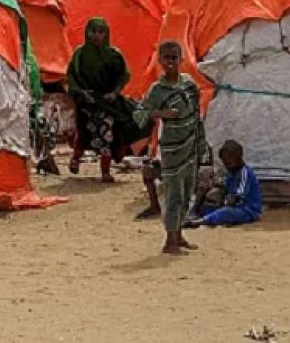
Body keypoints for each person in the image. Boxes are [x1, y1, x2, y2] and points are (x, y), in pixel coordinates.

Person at [136, 41, 205, 255]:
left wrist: (200, 141)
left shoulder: (189, 84)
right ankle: (169, 241)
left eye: (175, 57)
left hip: (191, 144)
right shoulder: (158, 90)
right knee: (174, 193)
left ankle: (179, 235)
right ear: (161, 61)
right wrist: (162, 114)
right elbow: (140, 113)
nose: (171, 62)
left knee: (187, 192)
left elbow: (196, 113)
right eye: (167, 58)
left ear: (181, 58)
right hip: (172, 148)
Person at [66, 18, 142, 182]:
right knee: (84, 133)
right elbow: (71, 76)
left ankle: (105, 171)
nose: (96, 35)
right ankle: (75, 159)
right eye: (93, 31)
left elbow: (124, 75)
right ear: (87, 32)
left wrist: (114, 93)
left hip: (107, 103)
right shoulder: (80, 54)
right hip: (86, 103)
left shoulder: (114, 55)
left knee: (107, 134)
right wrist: (80, 92)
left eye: (101, 32)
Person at [189, 140, 262, 228]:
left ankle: (200, 221)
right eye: (224, 163)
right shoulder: (230, 173)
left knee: (225, 212)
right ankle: (205, 217)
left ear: (238, 158)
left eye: (228, 163)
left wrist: (224, 202)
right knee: (208, 208)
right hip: (234, 207)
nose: (226, 166)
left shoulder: (245, 173)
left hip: (248, 210)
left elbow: (237, 198)